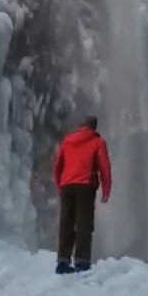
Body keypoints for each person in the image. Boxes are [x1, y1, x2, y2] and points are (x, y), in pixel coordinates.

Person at [51, 115, 112, 274]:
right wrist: (106, 190)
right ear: (93, 127)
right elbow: (104, 168)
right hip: (85, 186)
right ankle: (81, 261)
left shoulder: (67, 141)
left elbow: (57, 166)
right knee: (84, 224)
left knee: (66, 223)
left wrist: (60, 186)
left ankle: (63, 261)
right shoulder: (98, 142)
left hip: (67, 186)